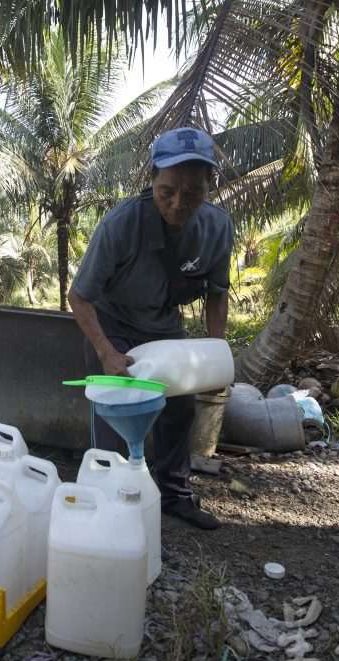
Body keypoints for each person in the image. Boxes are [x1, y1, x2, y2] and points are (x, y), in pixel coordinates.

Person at [68, 127, 232, 530]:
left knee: (177, 409)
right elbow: (80, 296)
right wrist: (105, 352)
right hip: (112, 322)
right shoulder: (119, 225)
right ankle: (110, 500)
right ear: (152, 180)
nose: (178, 203)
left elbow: (217, 293)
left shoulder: (217, 227)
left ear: (209, 187)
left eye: (193, 193)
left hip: (163, 329)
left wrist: (216, 358)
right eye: (167, 191)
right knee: (118, 412)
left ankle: (175, 496)